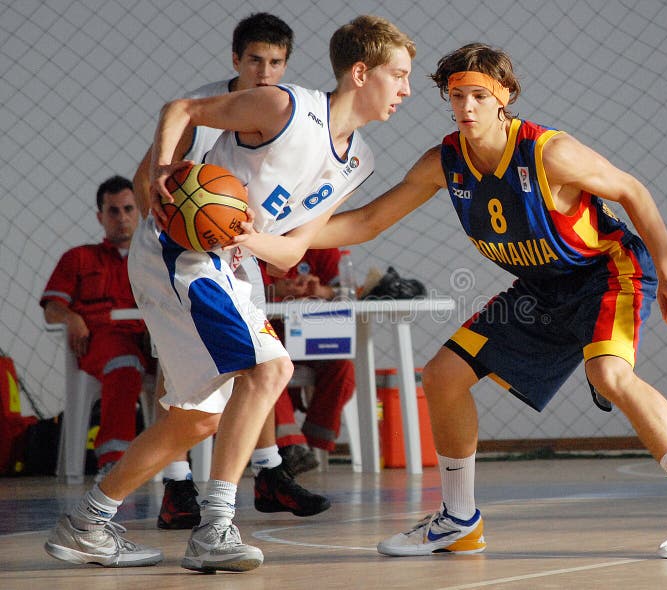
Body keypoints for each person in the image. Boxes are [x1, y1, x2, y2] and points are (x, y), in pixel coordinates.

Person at [309, 43, 667, 559]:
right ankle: (458, 520)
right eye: (456, 96)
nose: (466, 107)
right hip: (540, 290)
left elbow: (632, 191)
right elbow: (366, 222)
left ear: (504, 97)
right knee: (443, 375)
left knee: (611, 374)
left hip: (606, 272)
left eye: (478, 95)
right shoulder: (444, 162)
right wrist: (281, 235)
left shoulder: (548, 152)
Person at [44, 15, 414, 573]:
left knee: (196, 419)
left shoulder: (359, 161)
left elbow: (290, 251)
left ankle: (89, 522)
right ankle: (215, 526)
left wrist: (253, 238)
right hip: (182, 253)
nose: (406, 90)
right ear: (361, 73)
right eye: (399, 75)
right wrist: (167, 169)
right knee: (271, 370)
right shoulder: (284, 107)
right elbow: (182, 110)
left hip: (235, 264)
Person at [132, 11, 328, 532]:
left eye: (277, 62)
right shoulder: (203, 109)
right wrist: (167, 219)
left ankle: (266, 472)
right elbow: (142, 180)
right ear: (235, 60)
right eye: (256, 60)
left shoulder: (287, 114)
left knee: (259, 364)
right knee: (177, 370)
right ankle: (177, 485)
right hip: (182, 256)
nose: (266, 71)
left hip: (237, 254)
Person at [40, 175, 152, 480]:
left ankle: (180, 467)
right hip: (102, 343)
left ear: (138, 212)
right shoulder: (78, 258)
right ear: (100, 216)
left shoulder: (154, 259)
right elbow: (51, 309)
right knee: (124, 362)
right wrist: (72, 318)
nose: (122, 218)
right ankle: (114, 461)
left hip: (152, 343)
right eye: (113, 211)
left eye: (128, 209)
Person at [259, 248, 356, 470]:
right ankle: (290, 446)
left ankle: (314, 444)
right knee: (268, 366)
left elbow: (348, 292)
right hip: (268, 335)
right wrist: (273, 290)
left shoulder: (323, 243)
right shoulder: (258, 242)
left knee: (341, 367)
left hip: (313, 335)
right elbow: (237, 291)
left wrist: (322, 291)